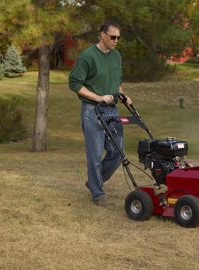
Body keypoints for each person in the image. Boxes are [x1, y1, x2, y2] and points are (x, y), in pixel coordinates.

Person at [69, 20, 132, 207]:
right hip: (92, 111)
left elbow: (116, 81)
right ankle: (98, 195)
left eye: (118, 38)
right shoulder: (87, 56)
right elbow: (74, 83)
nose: (115, 41)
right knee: (95, 156)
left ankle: (94, 182)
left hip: (112, 110)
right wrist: (97, 97)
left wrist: (122, 95)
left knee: (117, 153)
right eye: (112, 37)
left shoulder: (117, 56)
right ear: (102, 35)